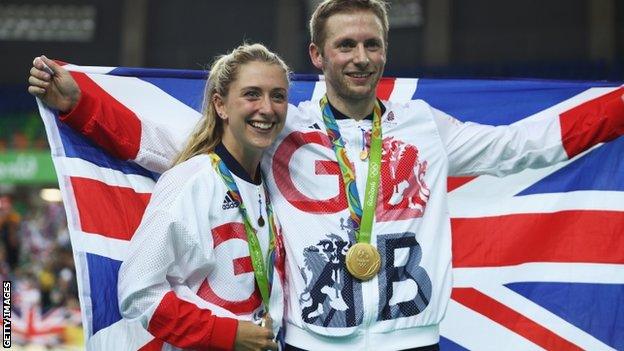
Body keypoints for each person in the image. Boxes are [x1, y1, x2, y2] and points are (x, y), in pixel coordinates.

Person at [28, 1, 624, 350]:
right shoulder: (283, 125)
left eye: (371, 44)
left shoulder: (425, 129)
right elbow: (171, 146)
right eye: (345, 45)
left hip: (412, 343)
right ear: (319, 56)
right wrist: (78, 105)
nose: (359, 56)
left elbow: (525, 145)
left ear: (385, 51)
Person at [29, 43, 291, 351]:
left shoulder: (279, 180)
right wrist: (226, 334)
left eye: (278, 96)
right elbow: (137, 292)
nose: (267, 107)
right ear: (220, 105)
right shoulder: (190, 180)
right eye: (251, 94)